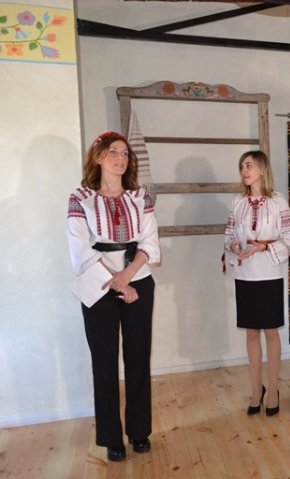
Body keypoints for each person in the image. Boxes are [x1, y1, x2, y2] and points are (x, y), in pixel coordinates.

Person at [66, 131, 160, 462]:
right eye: (113, 152)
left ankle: (139, 431)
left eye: (124, 153)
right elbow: (80, 251)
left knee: (138, 358)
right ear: (98, 157)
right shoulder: (80, 198)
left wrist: (127, 277)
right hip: (98, 285)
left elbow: (150, 243)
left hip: (138, 280)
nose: (120, 158)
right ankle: (111, 437)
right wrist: (119, 283)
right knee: (104, 362)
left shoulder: (140, 197)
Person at [224, 150, 290, 417]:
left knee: (271, 333)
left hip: (269, 274)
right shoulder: (237, 202)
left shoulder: (278, 201)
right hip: (245, 275)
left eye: (250, 166)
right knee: (251, 333)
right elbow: (229, 235)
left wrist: (263, 247)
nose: (245, 171)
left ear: (262, 169)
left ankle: (273, 390)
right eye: (242, 166)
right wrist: (235, 245)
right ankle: (257, 390)